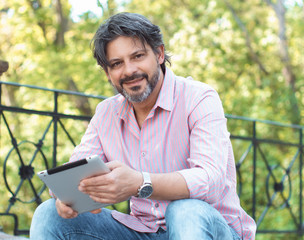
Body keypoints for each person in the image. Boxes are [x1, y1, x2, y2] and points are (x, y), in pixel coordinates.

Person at [30, 12, 256, 240]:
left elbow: (211, 180)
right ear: (108, 73)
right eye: (117, 64)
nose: (129, 71)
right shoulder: (106, 113)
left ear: (159, 54)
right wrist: (66, 198)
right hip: (143, 231)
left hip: (211, 229)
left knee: (184, 211)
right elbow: (74, 173)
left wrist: (140, 182)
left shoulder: (199, 98)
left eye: (137, 56)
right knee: (49, 214)